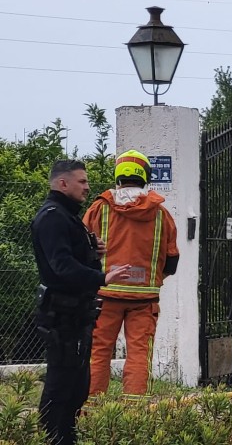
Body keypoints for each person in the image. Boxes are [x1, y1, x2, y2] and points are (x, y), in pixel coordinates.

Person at [31, 160, 131, 445]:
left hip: (76, 314)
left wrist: (93, 253)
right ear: (63, 183)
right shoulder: (53, 217)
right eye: (82, 182)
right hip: (62, 316)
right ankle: (53, 438)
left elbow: (69, 260)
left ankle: (67, 436)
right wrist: (103, 277)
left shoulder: (66, 215)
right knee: (61, 385)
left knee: (77, 387)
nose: (87, 187)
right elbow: (61, 266)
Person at [84, 150, 179, 399]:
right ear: (146, 177)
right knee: (138, 355)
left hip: (104, 296)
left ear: (118, 177)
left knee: (98, 352)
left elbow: (80, 248)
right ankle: (134, 415)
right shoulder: (161, 214)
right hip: (144, 301)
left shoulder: (99, 209)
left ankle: (92, 412)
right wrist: (150, 280)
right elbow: (172, 260)